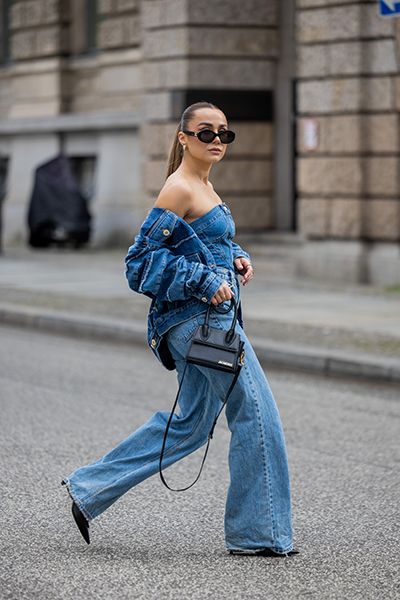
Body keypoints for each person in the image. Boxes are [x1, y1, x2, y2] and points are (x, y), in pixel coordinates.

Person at [61, 101, 298, 557]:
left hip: (207, 323)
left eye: (224, 134)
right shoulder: (179, 188)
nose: (216, 141)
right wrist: (207, 280)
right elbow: (140, 262)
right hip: (197, 324)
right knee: (258, 415)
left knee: (189, 426)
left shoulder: (203, 185)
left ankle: (88, 488)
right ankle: (258, 535)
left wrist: (233, 256)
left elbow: (204, 243)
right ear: (183, 137)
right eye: (205, 132)